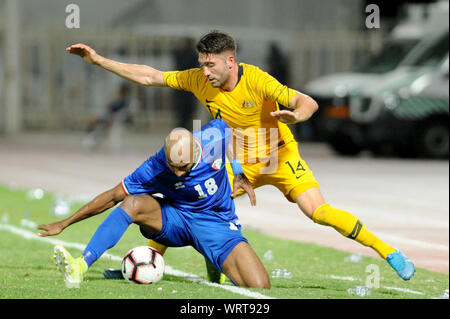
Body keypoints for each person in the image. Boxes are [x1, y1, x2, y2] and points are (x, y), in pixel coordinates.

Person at [65, 30, 415, 282]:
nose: (205, 72)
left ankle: (389, 253)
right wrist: (97, 60)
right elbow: (150, 76)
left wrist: (298, 115)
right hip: (237, 162)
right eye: (202, 64)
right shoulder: (200, 80)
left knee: (318, 212)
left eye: (211, 65)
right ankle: (150, 261)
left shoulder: (259, 80)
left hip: (278, 156)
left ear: (231, 61)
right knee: (187, 201)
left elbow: (306, 101)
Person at [37, 119, 269, 289]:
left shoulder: (214, 135)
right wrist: (65, 223)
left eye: (183, 168)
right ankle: (81, 265)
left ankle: (215, 266)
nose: (177, 174)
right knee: (131, 203)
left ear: (196, 151)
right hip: (175, 220)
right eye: (172, 166)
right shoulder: (154, 166)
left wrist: (237, 170)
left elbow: (229, 134)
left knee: (260, 286)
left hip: (215, 223)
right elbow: (111, 196)